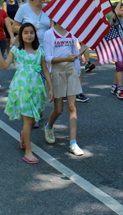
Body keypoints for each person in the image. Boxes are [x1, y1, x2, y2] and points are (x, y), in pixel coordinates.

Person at [0, 22, 54, 164]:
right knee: (28, 120)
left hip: (36, 89)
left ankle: (24, 133)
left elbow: (45, 71)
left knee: (34, 119)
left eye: (31, 32)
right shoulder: (16, 51)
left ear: (35, 35)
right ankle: (28, 152)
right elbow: (4, 66)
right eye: (25, 32)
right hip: (22, 89)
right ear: (21, 35)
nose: (29, 35)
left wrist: (51, 88)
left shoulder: (40, 51)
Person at [43, 22, 84, 155]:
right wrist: (65, 58)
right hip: (56, 71)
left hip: (71, 70)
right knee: (59, 109)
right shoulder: (49, 34)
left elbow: (75, 54)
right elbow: (47, 57)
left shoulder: (72, 32)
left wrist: (78, 73)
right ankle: (48, 126)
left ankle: (73, 142)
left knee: (72, 107)